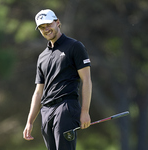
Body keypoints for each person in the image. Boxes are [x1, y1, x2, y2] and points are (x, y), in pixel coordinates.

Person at [23, 9, 92, 150]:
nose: (46, 29)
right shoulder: (42, 56)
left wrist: (85, 111)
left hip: (66, 108)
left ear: (57, 22)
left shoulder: (74, 46)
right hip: (46, 111)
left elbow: (86, 80)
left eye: (48, 24)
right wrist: (30, 121)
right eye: (42, 27)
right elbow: (38, 92)